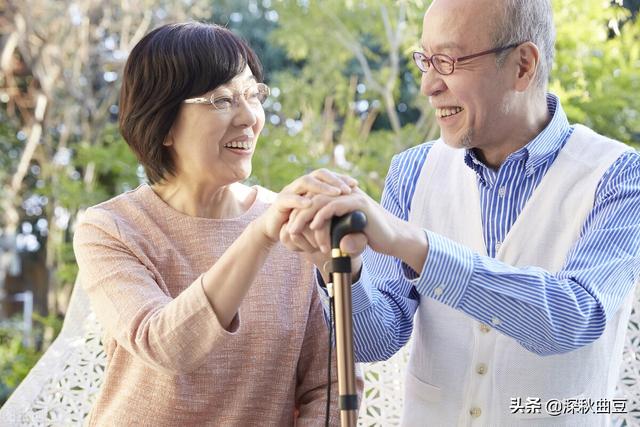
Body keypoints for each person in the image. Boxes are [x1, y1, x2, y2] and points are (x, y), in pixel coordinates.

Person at [283, 0, 640, 425]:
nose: (428, 85)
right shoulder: (412, 170)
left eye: (448, 61)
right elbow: (374, 339)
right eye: (425, 60)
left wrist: (414, 245)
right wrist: (340, 269)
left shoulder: (619, 176)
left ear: (523, 65)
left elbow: (573, 316)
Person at [72, 22, 360, 426]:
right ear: (164, 122)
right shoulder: (112, 229)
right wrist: (259, 236)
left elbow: (326, 385)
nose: (249, 117)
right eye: (221, 99)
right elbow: (164, 345)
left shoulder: (292, 224)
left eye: (252, 94)